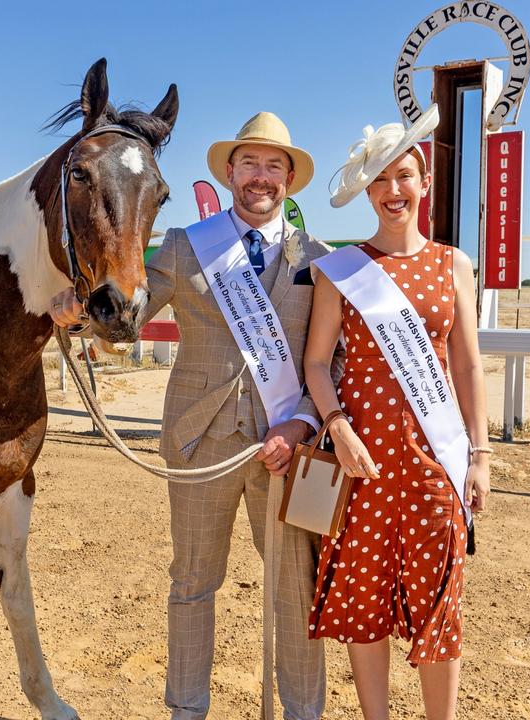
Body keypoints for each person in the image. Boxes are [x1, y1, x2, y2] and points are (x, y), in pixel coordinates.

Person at [49, 111, 343, 720]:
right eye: (250, 164)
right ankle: (187, 710)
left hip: (286, 449)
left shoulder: (319, 259)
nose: (260, 177)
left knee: (295, 593)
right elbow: (127, 314)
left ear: (289, 179)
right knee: (191, 587)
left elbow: (330, 364)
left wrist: (303, 423)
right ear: (231, 172)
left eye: (273, 166)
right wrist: (77, 312)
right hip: (197, 443)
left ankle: (304, 712)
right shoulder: (188, 245)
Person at [300, 111, 491, 720]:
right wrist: (338, 429)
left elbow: (467, 368)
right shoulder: (343, 270)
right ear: (367, 191)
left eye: (403, 176)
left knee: (439, 602)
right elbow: (315, 364)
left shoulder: (453, 265)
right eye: (379, 180)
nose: (392, 191)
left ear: (424, 181)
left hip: (436, 460)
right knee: (364, 603)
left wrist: (480, 455)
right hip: (364, 465)